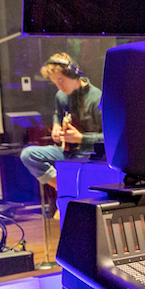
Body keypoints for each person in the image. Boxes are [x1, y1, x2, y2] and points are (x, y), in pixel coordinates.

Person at [20, 53, 103, 194]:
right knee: (28, 155)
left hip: (91, 156)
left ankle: (71, 190)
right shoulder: (61, 95)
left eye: (61, 80)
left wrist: (81, 138)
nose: (59, 86)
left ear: (73, 74)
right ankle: (65, 188)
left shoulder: (97, 98)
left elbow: (109, 139)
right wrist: (56, 126)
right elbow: (57, 115)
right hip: (69, 152)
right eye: (55, 82)